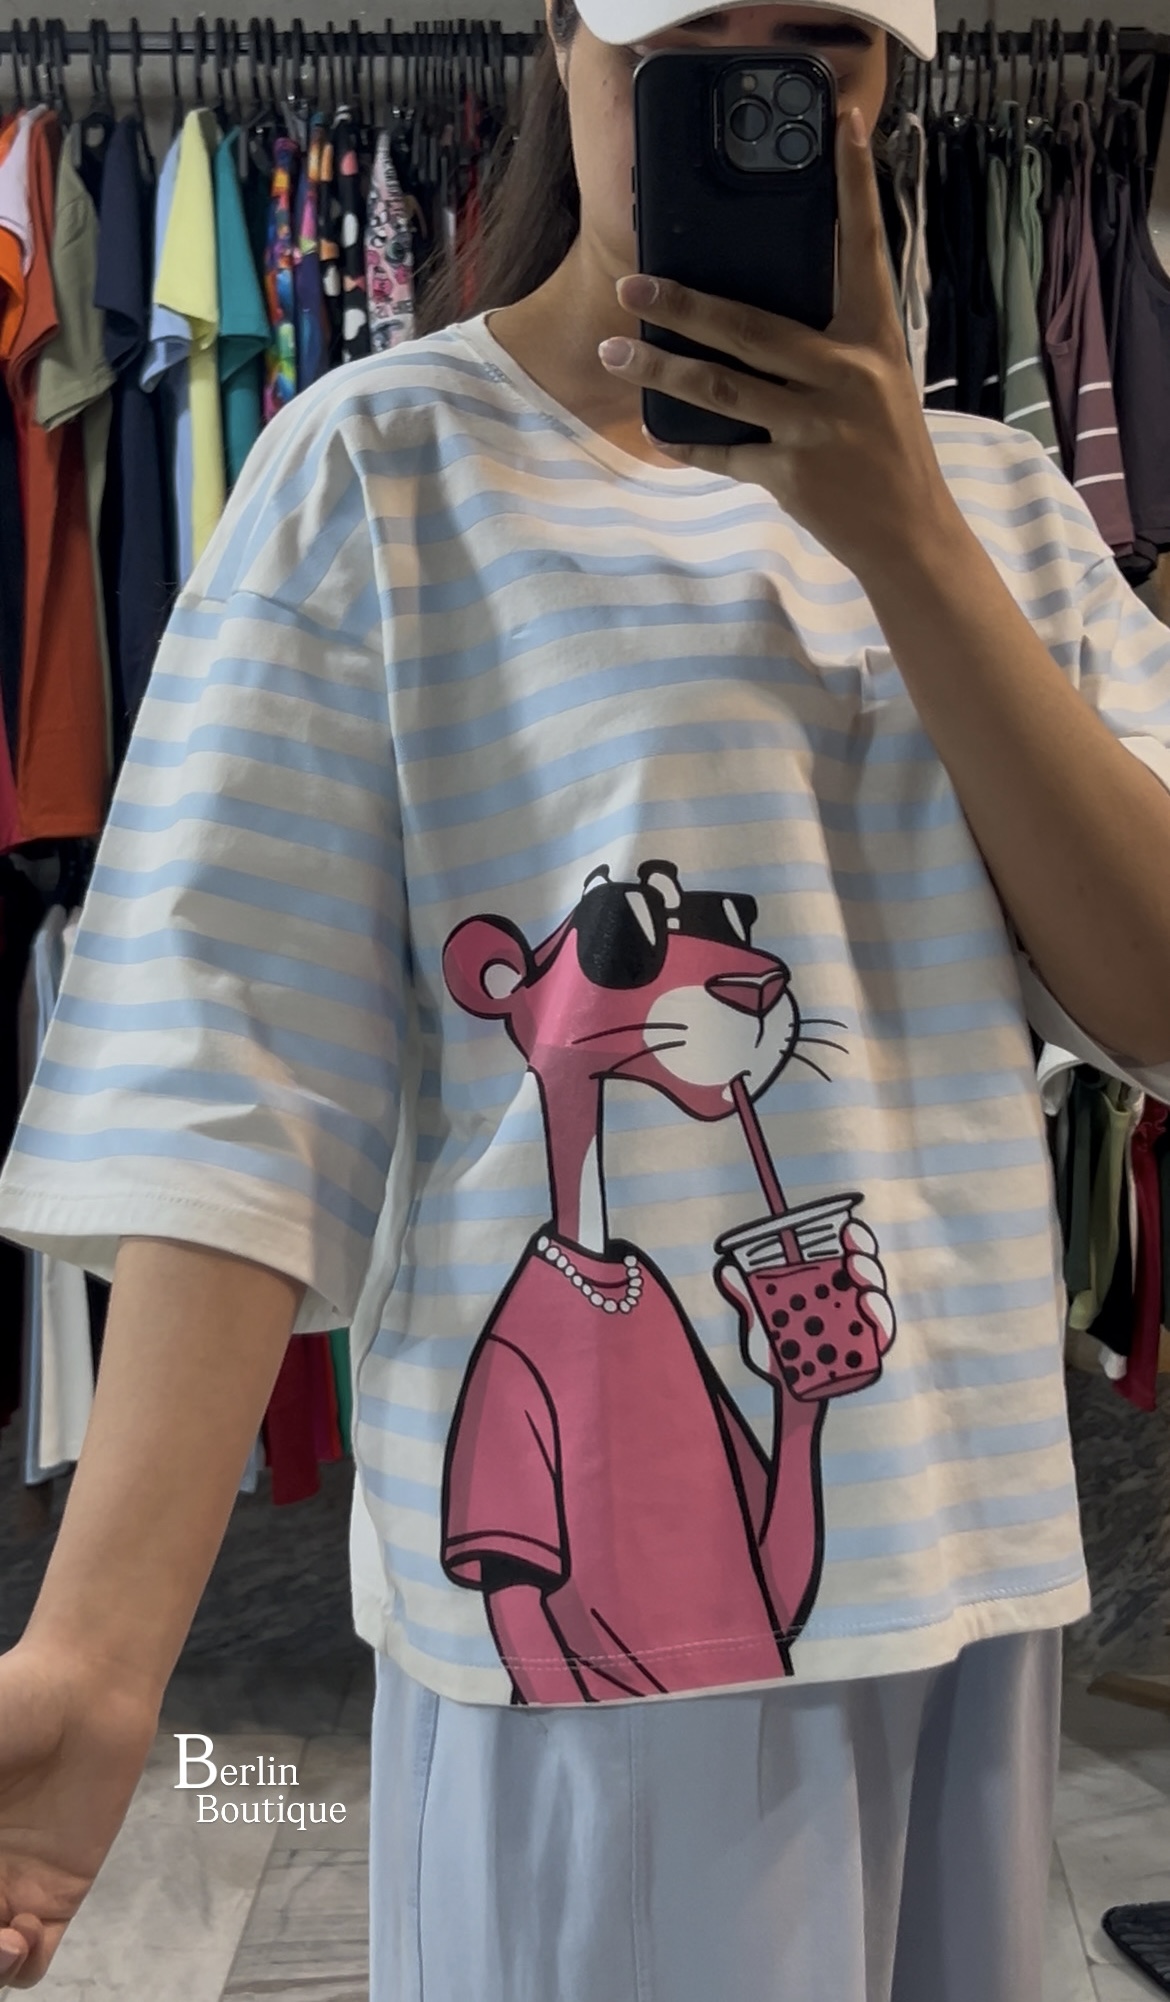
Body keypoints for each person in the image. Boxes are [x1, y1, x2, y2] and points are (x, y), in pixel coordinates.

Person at [1, 1, 1170, 1995]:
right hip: (586, 1680)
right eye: (688, 43)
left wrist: (899, 528)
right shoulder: (376, 472)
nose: (759, 97)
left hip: (966, 1575)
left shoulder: (997, 507)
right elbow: (239, 1071)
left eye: (822, 50)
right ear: (562, 36)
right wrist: (99, 1667)